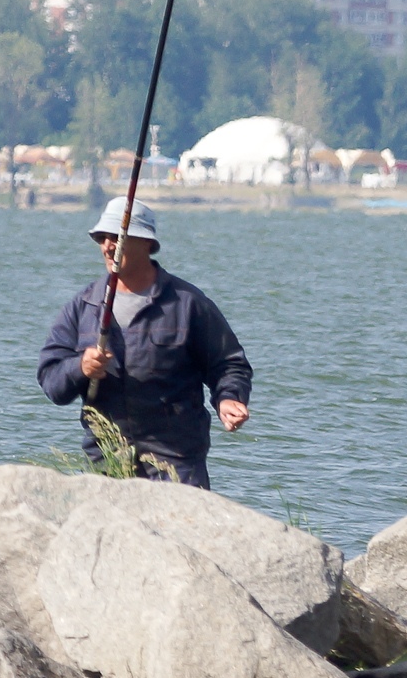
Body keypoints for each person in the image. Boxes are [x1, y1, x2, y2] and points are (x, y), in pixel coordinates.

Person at [37, 195, 250, 488]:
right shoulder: (83, 306)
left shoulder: (188, 304)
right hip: (107, 462)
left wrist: (229, 398)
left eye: (118, 237)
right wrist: (80, 368)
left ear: (147, 244)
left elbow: (228, 364)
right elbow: (51, 381)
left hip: (177, 465)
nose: (108, 246)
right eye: (102, 238)